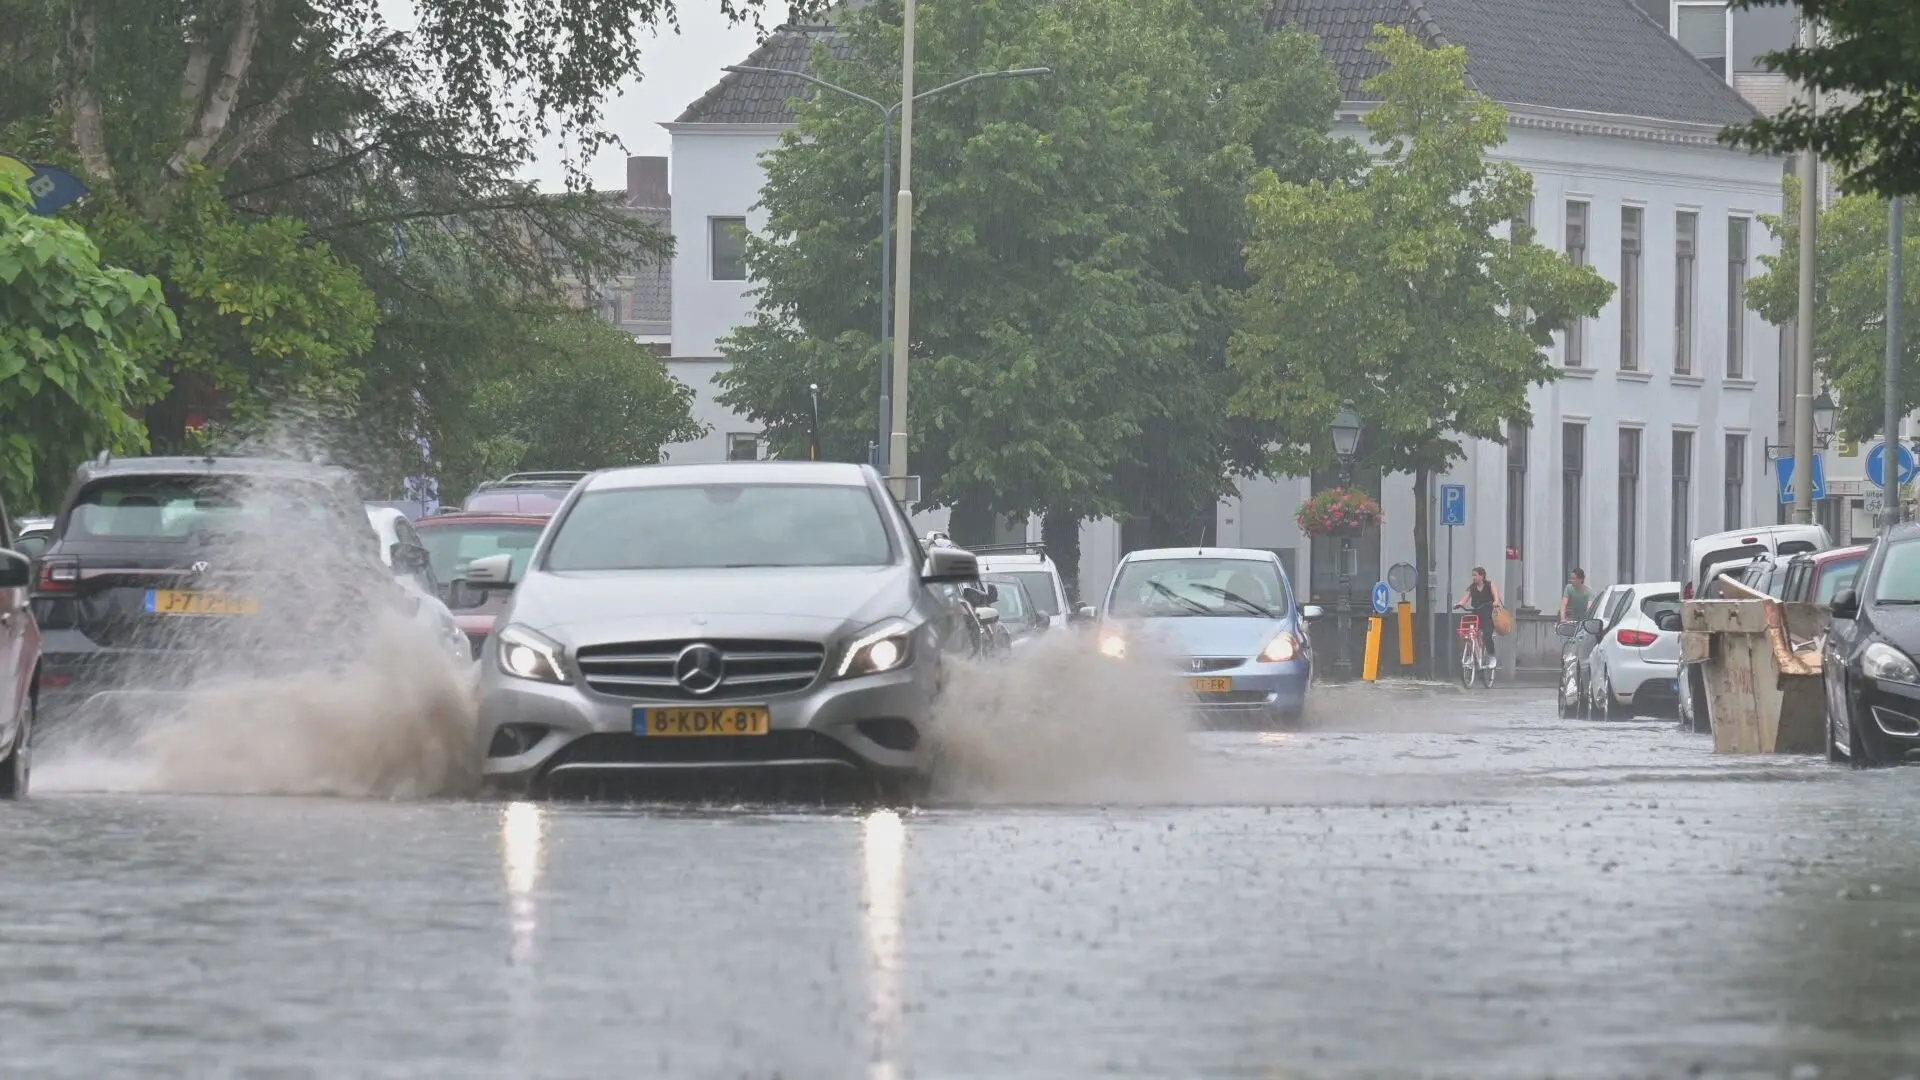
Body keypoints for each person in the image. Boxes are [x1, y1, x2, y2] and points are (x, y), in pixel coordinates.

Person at [1457, 566, 1502, 668]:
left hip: (1488, 614)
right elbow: (1465, 598)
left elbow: (1496, 597)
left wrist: (1495, 602)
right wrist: (1459, 604)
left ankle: (1491, 657)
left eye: (1475, 575)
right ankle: (1471, 656)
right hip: (1476, 613)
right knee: (1468, 634)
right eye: (1472, 575)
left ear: (1482, 576)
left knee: (1487, 634)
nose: (1473, 577)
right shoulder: (1472, 587)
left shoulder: (1490, 585)